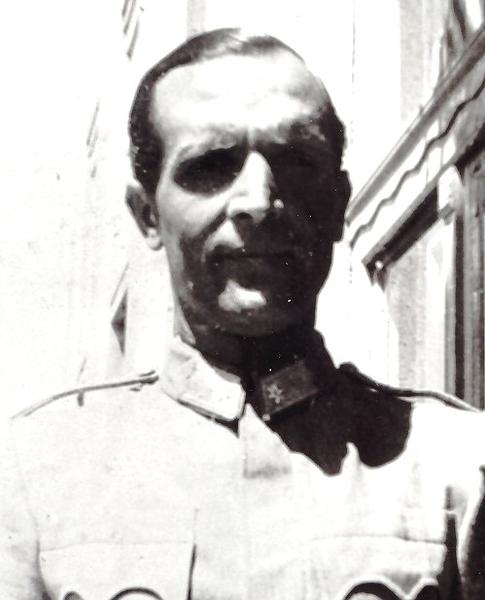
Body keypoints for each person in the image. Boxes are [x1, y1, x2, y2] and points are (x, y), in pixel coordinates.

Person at [1, 27, 484, 600]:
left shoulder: (455, 468)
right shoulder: (39, 475)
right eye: (211, 166)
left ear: (337, 205)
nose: (258, 201)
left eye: (297, 163)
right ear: (147, 215)